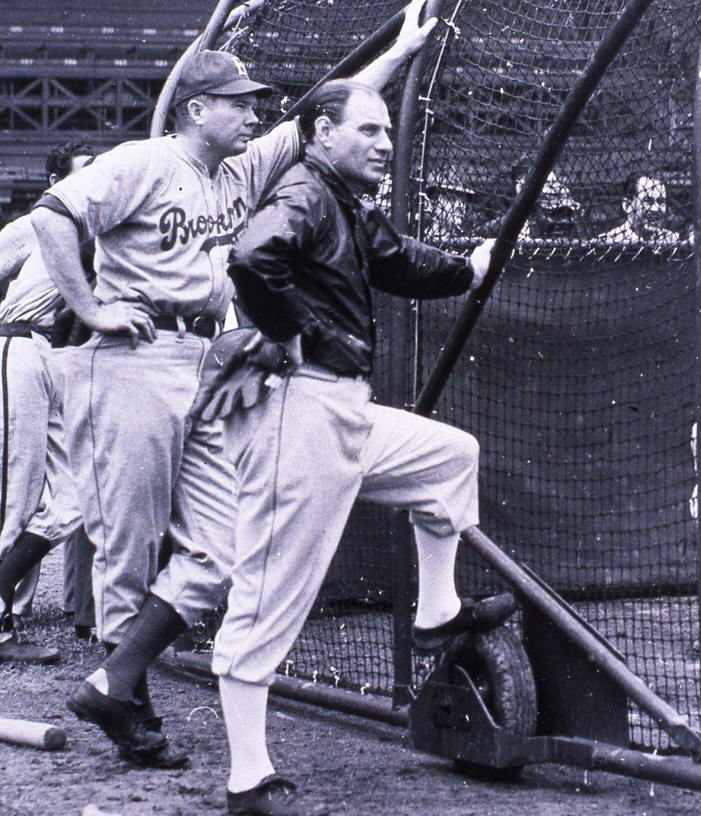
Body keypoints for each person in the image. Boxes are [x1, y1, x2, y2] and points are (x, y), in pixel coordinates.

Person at [31, 0, 443, 771]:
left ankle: (114, 682)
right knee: (131, 545)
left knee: (218, 546)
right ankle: (133, 709)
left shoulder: (242, 168)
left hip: (205, 363)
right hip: (135, 358)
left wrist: (399, 52)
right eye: (239, 103)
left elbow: (325, 113)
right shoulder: (142, 161)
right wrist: (90, 307)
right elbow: (53, 214)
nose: (255, 114)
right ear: (197, 109)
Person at [212, 78, 514, 816]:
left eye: (387, 132)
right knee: (269, 594)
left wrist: (470, 268)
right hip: (299, 407)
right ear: (320, 132)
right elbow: (252, 260)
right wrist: (304, 331)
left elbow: (396, 260)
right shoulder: (305, 194)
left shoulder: (343, 202)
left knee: (449, 458)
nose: (385, 144)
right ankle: (247, 779)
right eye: (369, 131)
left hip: (342, 407)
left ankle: (436, 609)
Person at [0, 140, 97, 663]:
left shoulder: (96, 228)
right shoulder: (38, 223)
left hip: (50, 355)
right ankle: (3, 626)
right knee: (16, 492)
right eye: (83, 173)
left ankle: (9, 608)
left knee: (70, 497)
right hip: (14, 343)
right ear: (55, 182)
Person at [596, 172, 678, 244]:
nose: (656, 209)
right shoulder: (607, 242)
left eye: (661, 202)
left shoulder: (672, 240)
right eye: (647, 201)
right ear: (627, 205)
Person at [419, 163, 476, 240]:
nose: (460, 205)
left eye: (463, 200)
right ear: (431, 204)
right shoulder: (421, 242)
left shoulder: (469, 241)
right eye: (452, 199)